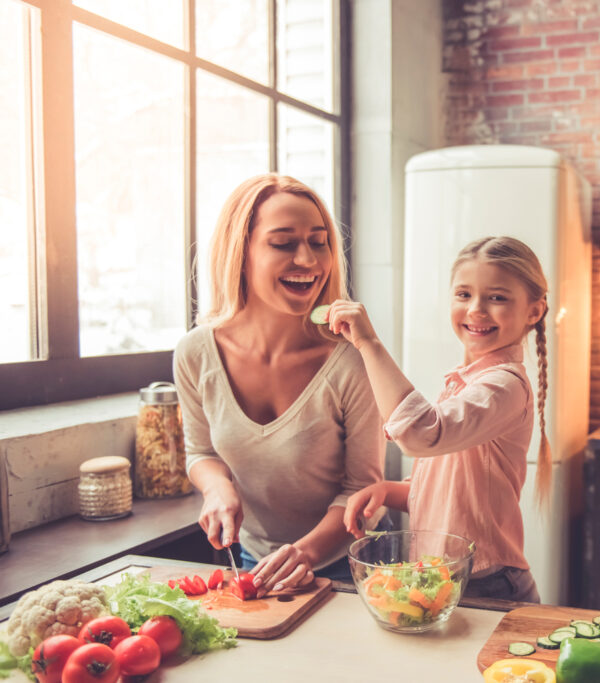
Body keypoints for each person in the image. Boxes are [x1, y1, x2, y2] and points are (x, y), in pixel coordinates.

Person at [174, 173, 386, 597]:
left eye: (319, 241)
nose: (308, 260)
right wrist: (218, 489)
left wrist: (305, 553)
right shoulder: (196, 353)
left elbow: (363, 490)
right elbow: (201, 452)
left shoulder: (351, 359)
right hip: (257, 563)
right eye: (283, 243)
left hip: (354, 570)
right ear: (242, 253)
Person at [330, 236, 551, 603]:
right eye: (464, 295)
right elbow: (448, 494)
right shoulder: (466, 384)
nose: (476, 310)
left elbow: (420, 434)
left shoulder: (504, 386)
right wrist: (387, 490)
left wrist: (368, 343)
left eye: (497, 298)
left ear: (533, 312)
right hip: (451, 575)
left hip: (486, 581)